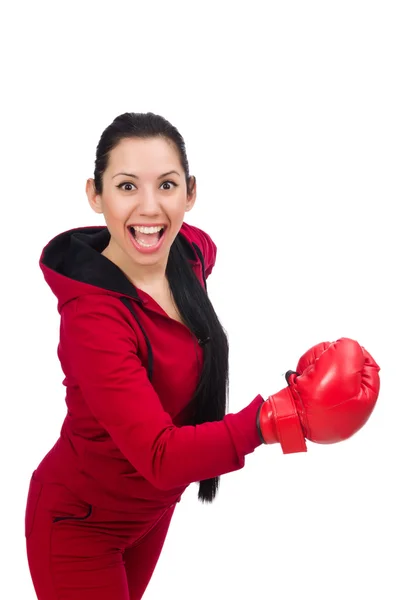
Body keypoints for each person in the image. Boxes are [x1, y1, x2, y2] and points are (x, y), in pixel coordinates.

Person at [25, 112, 380, 600]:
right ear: (95, 194)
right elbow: (160, 455)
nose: (150, 209)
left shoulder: (189, 253)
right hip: (80, 524)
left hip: (149, 512)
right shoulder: (94, 322)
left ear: (190, 193)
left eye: (166, 185)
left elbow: (203, 258)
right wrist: (275, 419)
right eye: (127, 187)